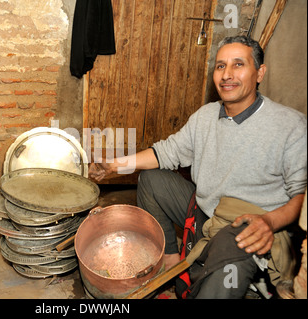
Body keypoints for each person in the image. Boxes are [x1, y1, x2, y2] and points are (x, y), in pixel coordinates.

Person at [89, 36, 307, 299]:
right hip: (206, 214)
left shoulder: (291, 126)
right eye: (220, 66)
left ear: (259, 72)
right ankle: (170, 261)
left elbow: (301, 195)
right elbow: (165, 153)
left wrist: (269, 222)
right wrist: (113, 166)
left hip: (251, 228)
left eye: (238, 65)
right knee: (152, 179)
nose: (227, 75)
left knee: (217, 280)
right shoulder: (205, 117)